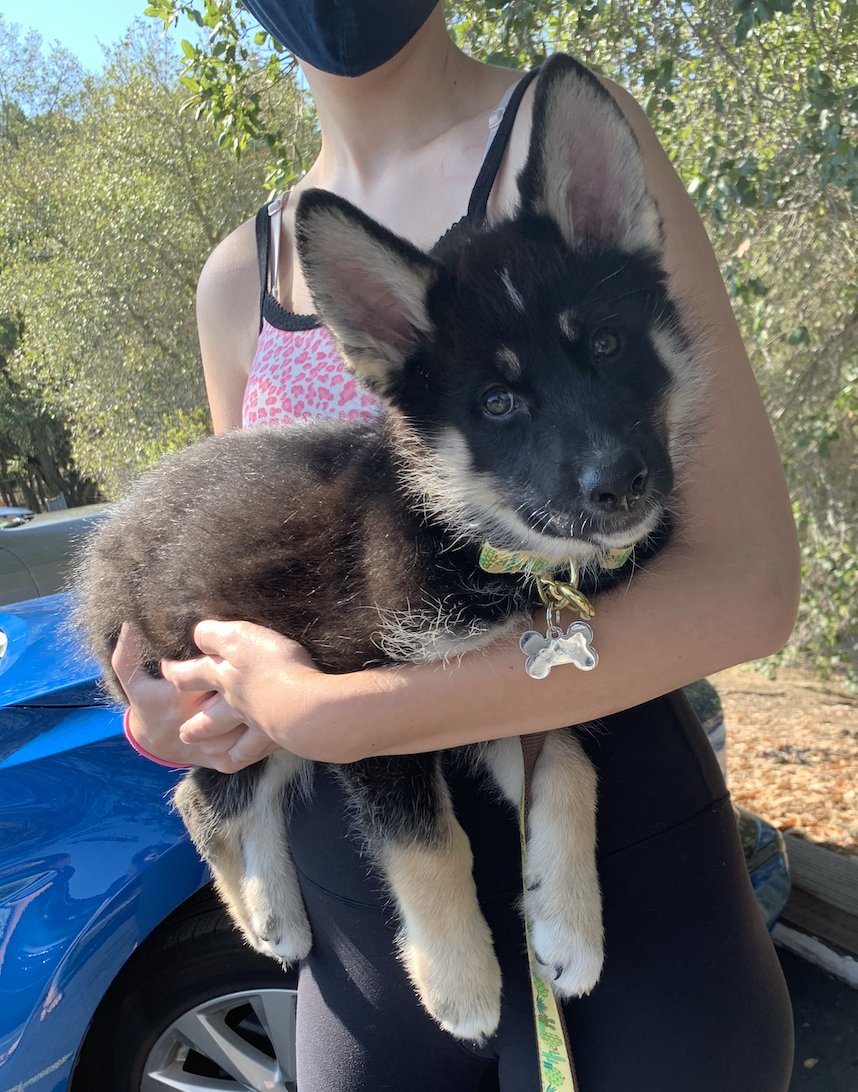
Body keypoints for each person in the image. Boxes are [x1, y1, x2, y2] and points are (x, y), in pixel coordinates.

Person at [114, 3, 799, 1089]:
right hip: (364, 906)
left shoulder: (565, 145)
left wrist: (337, 714)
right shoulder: (241, 274)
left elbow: (750, 592)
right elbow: (243, 580)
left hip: (621, 846)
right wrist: (179, 709)